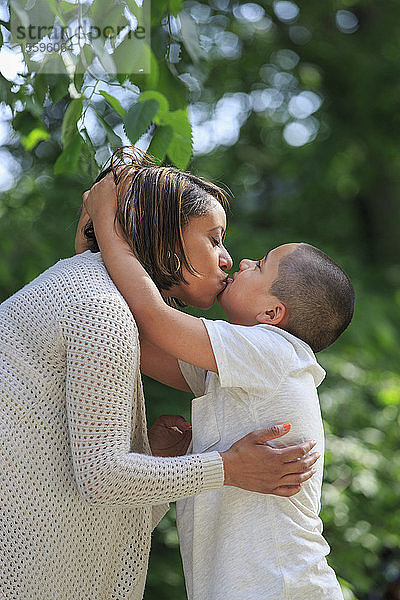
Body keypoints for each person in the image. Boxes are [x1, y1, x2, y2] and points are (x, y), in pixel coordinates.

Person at [0, 148, 319, 600]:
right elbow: (103, 478)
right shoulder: (100, 310)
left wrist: (105, 231)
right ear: (166, 238)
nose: (231, 259)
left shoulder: (88, 294)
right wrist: (227, 467)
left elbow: (147, 325)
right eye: (214, 238)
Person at [83, 166, 355, 599]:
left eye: (260, 266)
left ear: (272, 314)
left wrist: (106, 225)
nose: (242, 261)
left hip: (281, 586)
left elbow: (155, 317)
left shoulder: (274, 351)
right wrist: (88, 245)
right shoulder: (245, 365)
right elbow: (137, 337)